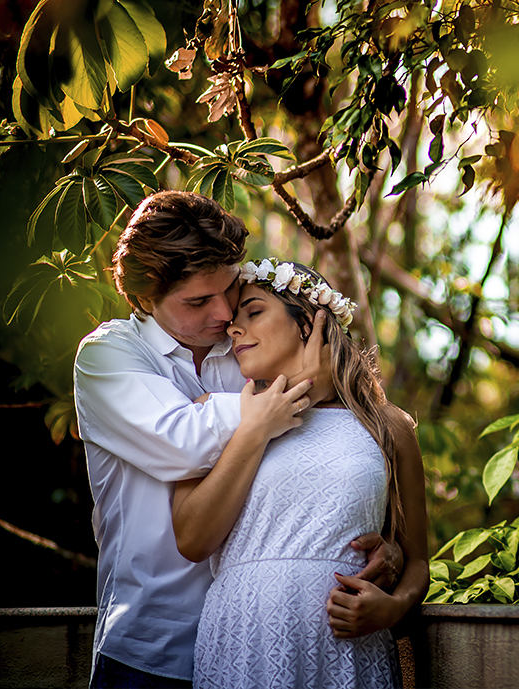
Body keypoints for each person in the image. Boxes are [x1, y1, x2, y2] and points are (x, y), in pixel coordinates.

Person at [75, 191, 402, 688]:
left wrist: (389, 552)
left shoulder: (243, 347)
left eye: (228, 290)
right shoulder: (108, 358)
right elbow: (185, 444)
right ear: (145, 299)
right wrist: (299, 389)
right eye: (198, 301)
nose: (224, 312)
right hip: (151, 648)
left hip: (265, 639)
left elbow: (317, 458)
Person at [171, 259, 428, 689]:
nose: (234, 329)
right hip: (243, 640)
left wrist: (393, 606)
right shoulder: (214, 415)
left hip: (348, 648)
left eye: (253, 312)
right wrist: (261, 422)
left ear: (311, 322)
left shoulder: (388, 427)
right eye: (233, 322)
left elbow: (416, 556)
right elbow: (192, 539)